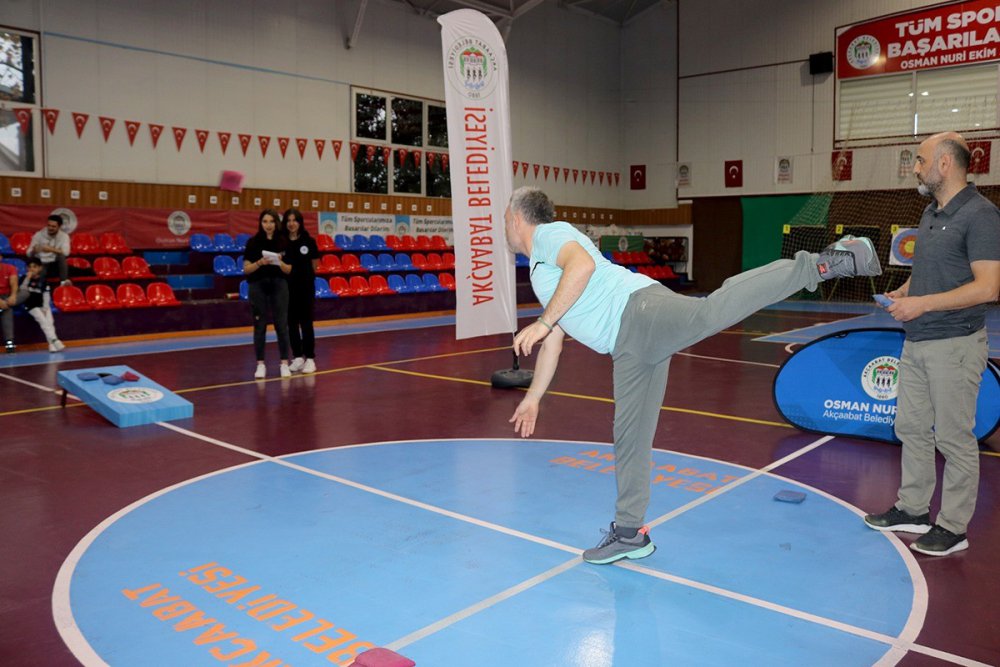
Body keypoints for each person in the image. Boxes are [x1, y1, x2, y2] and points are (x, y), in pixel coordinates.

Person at [504, 186, 882, 565]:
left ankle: (821, 263)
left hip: (639, 311)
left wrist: (542, 320)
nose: (503, 225)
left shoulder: (551, 235)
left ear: (518, 218)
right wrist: (534, 396)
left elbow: (582, 267)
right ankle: (629, 533)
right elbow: (552, 341)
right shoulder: (541, 268)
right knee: (630, 437)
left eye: (505, 218)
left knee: (710, 312)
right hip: (628, 348)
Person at [864, 132, 1000, 556]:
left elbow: (988, 287)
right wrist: (907, 291)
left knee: (955, 438)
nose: (916, 169)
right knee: (910, 428)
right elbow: (935, 271)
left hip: (955, 346)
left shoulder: (981, 216)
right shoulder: (929, 213)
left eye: (920, 161)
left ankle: (953, 527)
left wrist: (922, 304)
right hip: (918, 342)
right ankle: (913, 509)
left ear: (945, 164)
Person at [243, 209, 292, 379]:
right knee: (259, 326)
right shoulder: (253, 242)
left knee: (281, 325)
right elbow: (247, 269)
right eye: (265, 221)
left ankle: (284, 363)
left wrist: (279, 262)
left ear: (276, 223)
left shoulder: (284, 242)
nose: (268, 225)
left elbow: (289, 269)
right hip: (258, 286)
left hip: (279, 284)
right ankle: (260, 364)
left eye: (271, 221)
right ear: (260, 223)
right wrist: (259, 262)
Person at [282, 208, 320, 374]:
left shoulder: (308, 241)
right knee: (291, 324)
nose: (291, 223)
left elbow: (314, 264)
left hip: (305, 288)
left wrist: (304, 277)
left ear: (300, 222)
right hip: (287, 289)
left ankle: (310, 359)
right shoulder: (282, 242)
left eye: (294, 220)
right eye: (289, 220)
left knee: (306, 323)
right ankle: (297, 357)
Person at [10, 257, 65, 353]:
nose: (31, 269)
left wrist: (45, 308)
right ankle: (55, 340)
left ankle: (51, 345)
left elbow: (46, 295)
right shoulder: (23, 278)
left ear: (40, 268)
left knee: (50, 322)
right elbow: (22, 291)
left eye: (34, 267)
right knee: (43, 321)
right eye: (29, 267)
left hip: (42, 305)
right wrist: (28, 278)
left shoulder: (43, 280)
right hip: (30, 306)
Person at [27, 214, 72, 286]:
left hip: (55, 264)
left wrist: (51, 249)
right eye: (49, 225)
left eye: (53, 226)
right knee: (40, 267)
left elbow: (66, 253)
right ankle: (39, 287)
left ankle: (63, 282)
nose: (50, 228)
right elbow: (28, 253)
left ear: (59, 227)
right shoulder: (38, 235)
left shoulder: (64, 236)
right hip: (42, 262)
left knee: (61, 256)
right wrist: (34, 250)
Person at [1, 260, 18, 352]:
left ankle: (2, 308)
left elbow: (14, 284)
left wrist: (13, 296)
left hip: (8, 297)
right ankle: (9, 342)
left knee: (25, 293)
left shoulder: (10, 268)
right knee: (8, 310)